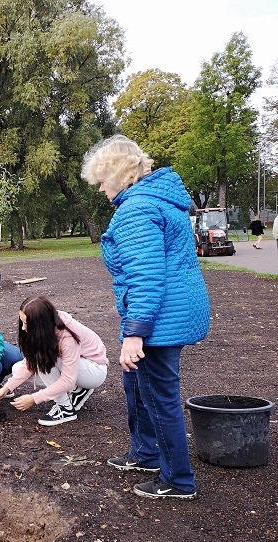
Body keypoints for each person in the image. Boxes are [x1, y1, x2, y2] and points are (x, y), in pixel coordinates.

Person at [81, 134, 210, 500]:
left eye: (103, 180)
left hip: (159, 318)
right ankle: (146, 453)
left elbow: (146, 274)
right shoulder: (160, 202)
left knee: (159, 395)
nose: (101, 188)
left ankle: (178, 481)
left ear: (120, 174)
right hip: (166, 312)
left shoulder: (137, 209)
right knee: (136, 384)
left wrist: (136, 332)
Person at [0, 296, 108, 426]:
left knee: (43, 359)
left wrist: (34, 399)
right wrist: (6, 388)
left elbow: (68, 379)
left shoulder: (66, 335)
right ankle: (79, 390)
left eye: (27, 323)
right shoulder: (46, 328)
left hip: (94, 370)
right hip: (78, 368)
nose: (23, 328)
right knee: (18, 369)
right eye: (22, 322)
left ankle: (65, 409)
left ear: (40, 323)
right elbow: (29, 364)